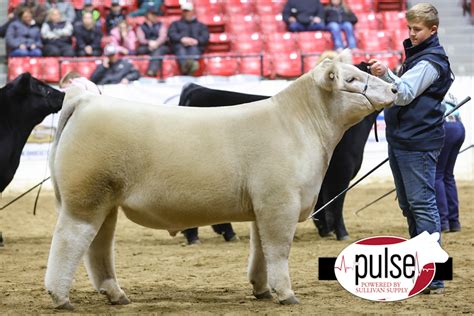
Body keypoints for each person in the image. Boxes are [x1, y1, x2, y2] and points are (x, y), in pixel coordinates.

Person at [369, 3, 454, 294]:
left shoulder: (430, 61)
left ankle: (435, 275)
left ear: (433, 30)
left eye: (417, 29)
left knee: (421, 205)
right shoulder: (419, 56)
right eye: (409, 28)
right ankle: (422, 269)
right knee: (410, 206)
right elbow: (404, 89)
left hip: (417, 142)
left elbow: (404, 94)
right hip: (405, 140)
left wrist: (386, 74)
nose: (412, 34)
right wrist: (389, 74)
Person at [435, 93, 465, 233]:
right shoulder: (443, 82)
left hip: (445, 126)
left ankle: (443, 221)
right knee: (447, 175)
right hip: (458, 126)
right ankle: (454, 221)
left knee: (437, 175)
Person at [168, 3, 209, 76]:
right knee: (180, 50)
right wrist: (182, 39)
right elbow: (171, 34)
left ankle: (187, 68)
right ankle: (189, 68)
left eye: (188, 11)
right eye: (184, 11)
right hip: (180, 46)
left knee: (194, 49)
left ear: (193, 11)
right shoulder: (175, 24)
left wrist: (196, 41)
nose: (186, 13)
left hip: (196, 46)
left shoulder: (201, 25)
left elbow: (205, 37)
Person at [136, 8, 169, 76]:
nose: (156, 16)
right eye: (153, 14)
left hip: (160, 46)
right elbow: (141, 39)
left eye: (156, 14)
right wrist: (149, 42)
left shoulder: (161, 25)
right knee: (141, 50)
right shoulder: (141, 27)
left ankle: (152, 71)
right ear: (148, 15)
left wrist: (156, 43)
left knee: (158, 50)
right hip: (146, 47)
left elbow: (163, 37)